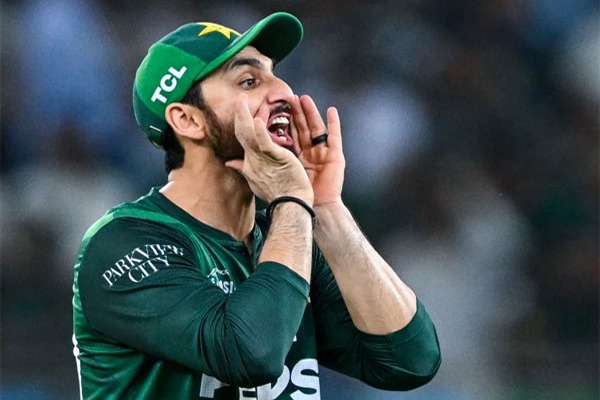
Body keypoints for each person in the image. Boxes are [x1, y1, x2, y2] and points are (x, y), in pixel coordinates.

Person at [72, 11, 441, 400]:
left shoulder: (287, 235)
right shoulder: (122, 243)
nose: (283, 92)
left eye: (275, 73)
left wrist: (326, 207)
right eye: (249, 81)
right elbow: (250, 354)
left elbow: (410, 360)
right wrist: (292, 200)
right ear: (188, 120)